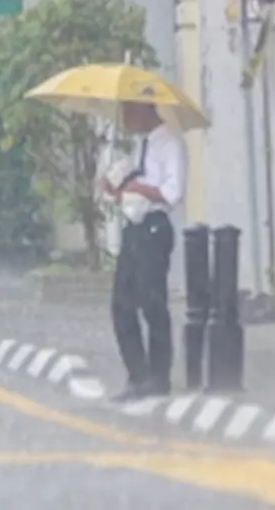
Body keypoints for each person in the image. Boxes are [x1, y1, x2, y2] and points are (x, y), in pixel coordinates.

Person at [102, 102, 188, 401]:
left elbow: (172, 193)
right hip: (134, 226)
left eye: (129, 112)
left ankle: (159, 374)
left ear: (145, 110)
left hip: (154, 226)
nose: (126, 120)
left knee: (152, 302)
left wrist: (139, 189)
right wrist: (118, 191)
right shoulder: (143, 145)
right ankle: (137, 373)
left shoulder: (170, 144)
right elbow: (133, 190)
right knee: (122, 302)